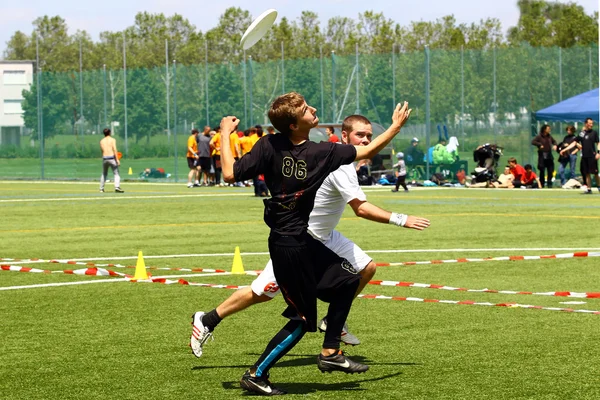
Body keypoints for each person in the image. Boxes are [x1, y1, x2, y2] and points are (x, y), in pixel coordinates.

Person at [213, 93, 413, 395]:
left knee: (351, 279)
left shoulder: (305, 148)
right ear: (294, 124)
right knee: (302, 319)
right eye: (307, 110)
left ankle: (331, 351)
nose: (314, 110)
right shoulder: (315, 151)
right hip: (289, 245)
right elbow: (368, 150)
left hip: (303, 239)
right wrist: (395, 127)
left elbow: (228, 172)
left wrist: (225, 133)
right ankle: (256, 374)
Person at [190, 114, 429, 358]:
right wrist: (402, 219)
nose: (366, 140)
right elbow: (361, 208)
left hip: (325, 236)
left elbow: (366, 156)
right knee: (262, 293)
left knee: (366, 268)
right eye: (360, 135)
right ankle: (208, 320)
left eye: (368, 135)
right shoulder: (337, 162)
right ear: (344, 136)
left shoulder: (338, 157)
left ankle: (333, 321)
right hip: (301, 239)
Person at [560, 118, 600, 194]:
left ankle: (599, 186)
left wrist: (598, 152)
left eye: (592, 123)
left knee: (595, 173)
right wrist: (565, 150)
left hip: (592, 156)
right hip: (584, 156)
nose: (591, 125)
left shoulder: (594, 133)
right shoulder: (582, 133)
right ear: (586, 123)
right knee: (587, 173)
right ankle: (589, 189)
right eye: (590, 123)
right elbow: (574, 143)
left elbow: (598, 143)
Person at [99, 128, 124, 193]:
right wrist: (117, 160)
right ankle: (117, 187)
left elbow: (102, 150)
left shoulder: (101, 141)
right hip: (111, 158)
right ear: (109, 133)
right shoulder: (112, 140)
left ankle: (101, 188)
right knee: (116, 173)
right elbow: (115, 149)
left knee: (104, 173)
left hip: (105, 158)